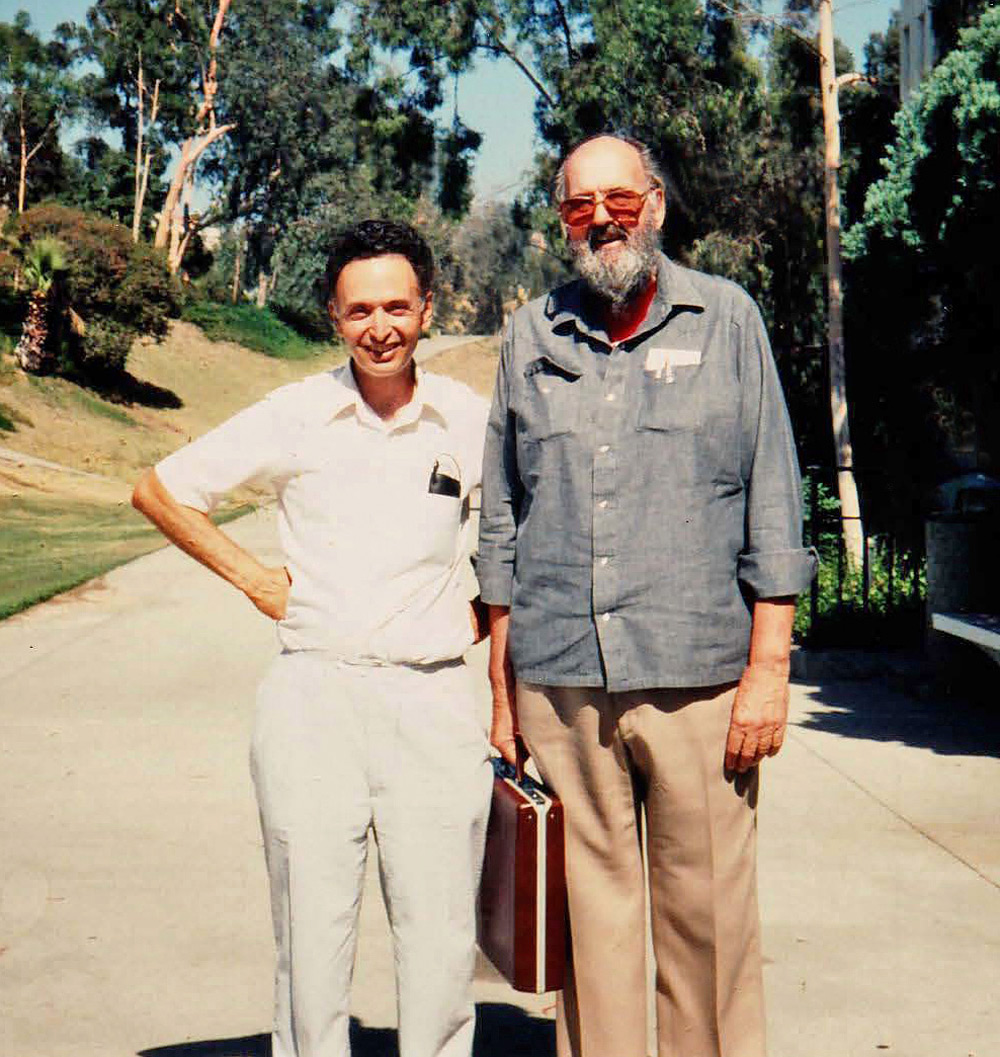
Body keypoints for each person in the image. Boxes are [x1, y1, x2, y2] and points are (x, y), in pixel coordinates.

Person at [477, 134, 817, 1057]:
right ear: (562, 222)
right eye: (579, 206)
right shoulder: (530, 334)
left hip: (701, 680)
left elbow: (775, 502)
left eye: (619, 201)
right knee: (592, 937)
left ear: (655, 205)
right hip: (561, 683)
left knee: (707, 927)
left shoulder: (728, 319)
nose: (601, 220)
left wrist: (768, 671)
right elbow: (501, 518)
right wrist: (503, 690)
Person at [133, 220, 493, 1057]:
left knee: (440, 939)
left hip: (432, 700)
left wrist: (472, 616)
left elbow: (526, 532)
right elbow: (162, 489)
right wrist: (256, 580)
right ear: (333, 314)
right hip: (314, 698)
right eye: (359, 308)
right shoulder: (297, 413)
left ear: (428, 307)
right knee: (311, 939)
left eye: (397, 306)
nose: (380, 326)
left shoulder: (468, 419)